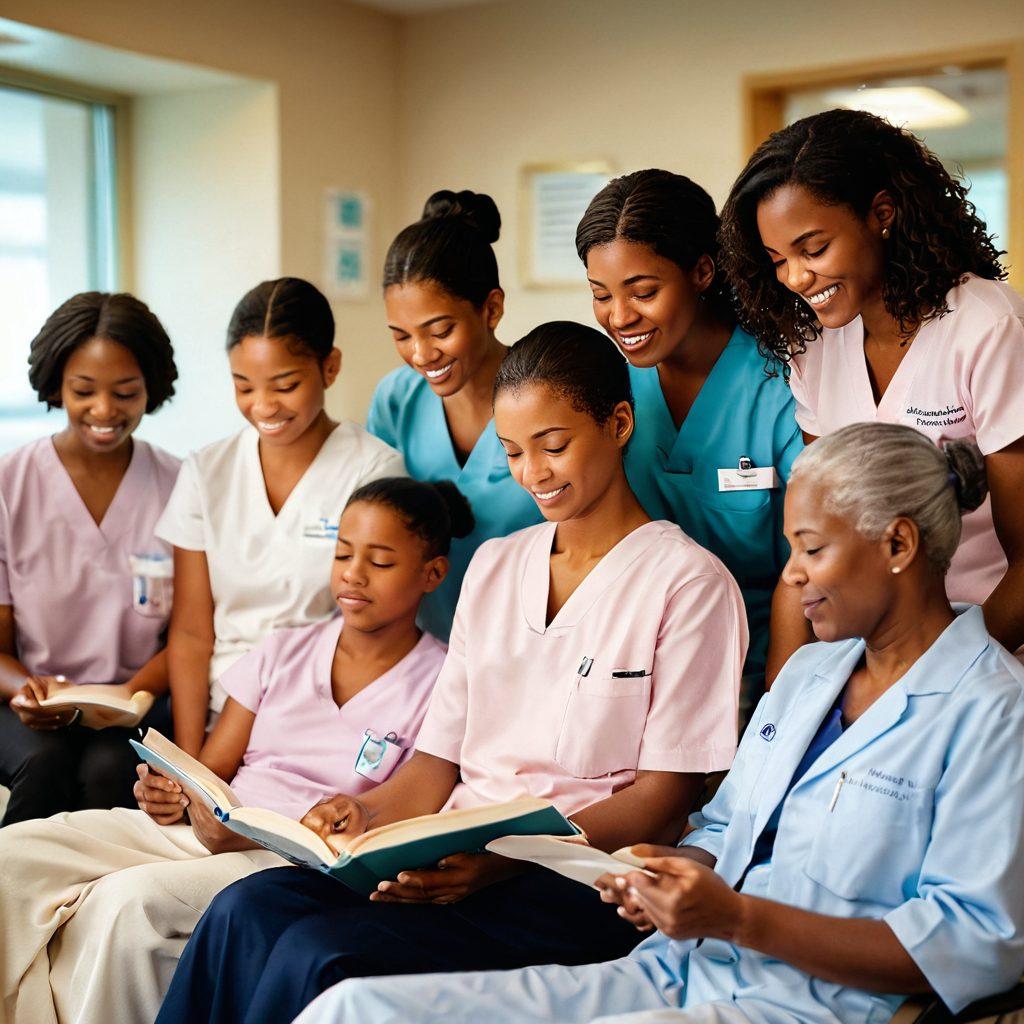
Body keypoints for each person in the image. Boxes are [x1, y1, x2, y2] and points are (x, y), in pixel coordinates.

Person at [296, 421, 1024, 1024]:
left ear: (897, 546)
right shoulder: (809, 678)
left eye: (811, 549)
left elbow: (976, 943)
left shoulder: (994, 712)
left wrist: (737, 919)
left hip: (815, 1005)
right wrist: (671, 873)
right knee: (353, 1008)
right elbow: (724, 828)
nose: (791, 574)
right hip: (678, 970)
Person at [155, 321, 747, 1024]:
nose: (533, 474)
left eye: (553, 446)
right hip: (453, 855)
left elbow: (664, 799)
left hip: (577, 881)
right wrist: (368, 813)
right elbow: (436, 764)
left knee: (321, 954)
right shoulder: (495, 567)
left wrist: (508, 858)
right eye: (513, 452)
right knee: (243, 910)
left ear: (618, 424)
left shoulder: (688, 584)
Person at [0, 477, 463, 1024]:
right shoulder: (283, 649)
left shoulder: (442, 681)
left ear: (432, 573)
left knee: (126, 904)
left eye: (380, 561)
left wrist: (255, 831)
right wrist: (172, 791)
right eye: (342, 554)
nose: (353, 574)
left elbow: (409, 803)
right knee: (15, 855)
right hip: (208, 828)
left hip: (286, 860)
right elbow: (214, 767)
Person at [720, 108, 1024, 669]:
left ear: (882, 214)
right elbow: (810, 546)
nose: (795, 277)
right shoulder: (814, 348)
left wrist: (945, 677)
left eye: (814, 249)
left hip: (988, 648)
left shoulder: (988, 327)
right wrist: (784, 698)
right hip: (866, 654)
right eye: (778, 259)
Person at [578, 169, 802, 716]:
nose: (620, 317)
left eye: (643, 292)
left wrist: (776, 707)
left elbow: (806, 566)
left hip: (760, 671)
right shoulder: (609, 387)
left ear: (702, 271)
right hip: (630, 669)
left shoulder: (782, 386)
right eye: (601, 295)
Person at [155, 277, 405, 755]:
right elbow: (190, 632)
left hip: (321, 716)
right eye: (243, 386)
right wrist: (189, 762)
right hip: (221, 709)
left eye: (286, 385)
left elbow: (377, 622)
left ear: (329, 367)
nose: (264, 406)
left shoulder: (372, 469)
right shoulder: (206, 472)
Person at [0, 292, 179, 824]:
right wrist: (27, 691)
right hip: (31, 701)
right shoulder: (11, 485)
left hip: (137, 699)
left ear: (151, 387)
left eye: (125, 393)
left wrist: (129, 693)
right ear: (56, 384)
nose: (104, 411)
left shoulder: (180, 485)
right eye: (84, 391)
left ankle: (102, 885)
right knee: (44, 762)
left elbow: (192, 633)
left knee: (111, 768)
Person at [369, 189, 542, 641]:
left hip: (532, 647)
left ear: (492, 308)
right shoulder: (397, 400)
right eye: (401, 336)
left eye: (440, 330)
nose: (421, 354)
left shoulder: (547, 396)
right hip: (425, 651)